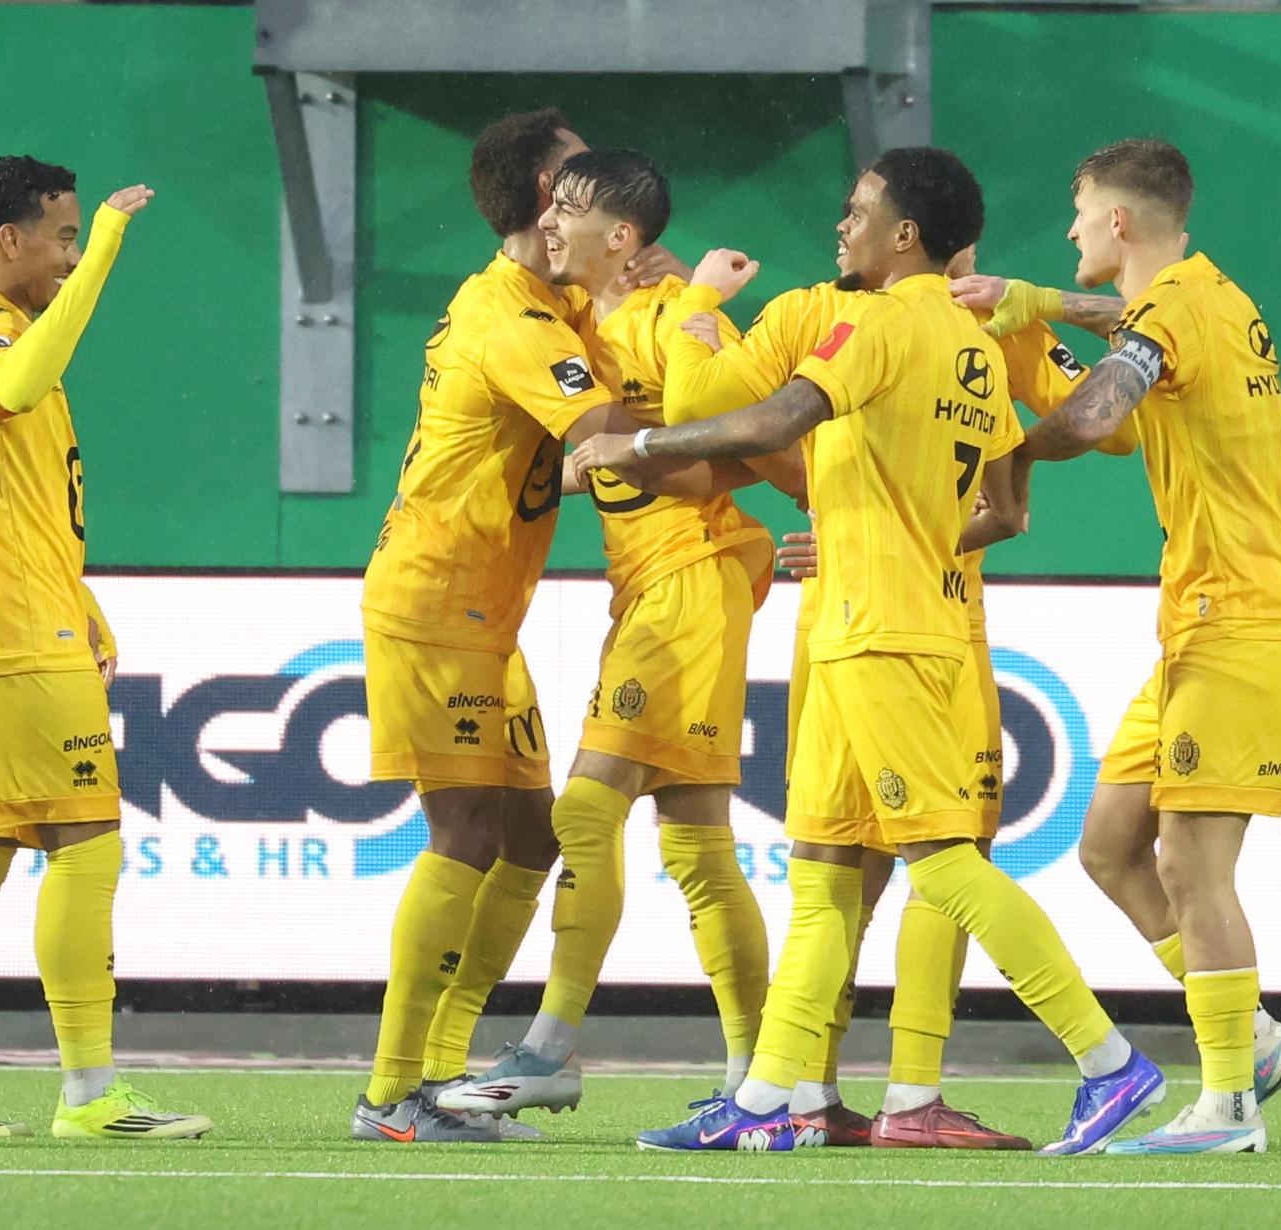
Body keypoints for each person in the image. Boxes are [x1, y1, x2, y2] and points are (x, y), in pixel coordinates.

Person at [573, 147, 1163, 1155]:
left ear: (905, 234)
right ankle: (768, 1101)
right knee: (819, 877)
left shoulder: (874, 321)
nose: (842, 224)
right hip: (896, 619)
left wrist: (638, 444)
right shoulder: (976, 345)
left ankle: (1110, 1062)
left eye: (858, 211)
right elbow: (1006, 505)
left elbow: (775, 417)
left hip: (876, 630)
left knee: (943, 863)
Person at [352, 112, 720, 1144]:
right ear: (548, 195)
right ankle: (392, 1093)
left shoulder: (558, 303)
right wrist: (750, 448)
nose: (590, 186)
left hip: (483, 610)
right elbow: (605, 441)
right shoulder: (513, 316)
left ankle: (441, 1074)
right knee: (467, 831)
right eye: (575, 173)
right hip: (434, 602)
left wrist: (655, 291)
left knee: (528, 835)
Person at [961, 139, 1281, 1155]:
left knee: (1193, 867)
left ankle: (1229, 1106)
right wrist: (1033, 300)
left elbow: (1100, 408)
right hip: (1204, 623)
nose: (1071, 229)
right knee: (1111, 847)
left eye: (1080, 214)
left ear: (1118, 222)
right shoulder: (1212, 295)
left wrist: (1014, 454)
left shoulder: (1170, 314)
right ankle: (1252, 1039)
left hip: (1238, 622)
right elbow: (1129, 323)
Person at [0, 155, 209, 1140]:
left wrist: (79, 596)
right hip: (13, 633)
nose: (67, 256)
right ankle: (90, 1093)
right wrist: (105, 248)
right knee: (87, 846)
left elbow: (6, 498)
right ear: (11, 239)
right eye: (60, 238)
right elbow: (18, 388)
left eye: (76, 240)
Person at [435, 150, 775, 1118]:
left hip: (689, 577)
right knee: (699, 844)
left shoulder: (675, 319)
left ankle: (552, 1048)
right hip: (653, 584)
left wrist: (665, 461)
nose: (549, 218)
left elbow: (770, 439)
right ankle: (762, 1074)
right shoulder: (580, 322)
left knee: (585, 812)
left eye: (571, 207)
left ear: (621, 237)